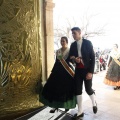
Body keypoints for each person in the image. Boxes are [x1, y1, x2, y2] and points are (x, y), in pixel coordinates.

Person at [40, 37, 76, 113]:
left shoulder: (70, 51)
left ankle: (67, 106)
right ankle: (55, 106)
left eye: (63, 41)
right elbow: (57, 61)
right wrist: (53, 71)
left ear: (66, 42)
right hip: (58, 72)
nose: (62, 42)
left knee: (66, 90)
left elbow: (72, 61)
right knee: (55, 89)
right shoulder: (58, 51)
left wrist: (74, 60)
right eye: (61, 41)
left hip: (66, 72)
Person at [69, 27, 97, 119]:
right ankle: (80, 111)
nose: (73, 35)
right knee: (78, 90)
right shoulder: (73, 45)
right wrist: (74, 59)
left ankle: (94, 102)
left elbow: (93, 58)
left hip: (87, 70)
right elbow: (71, 57)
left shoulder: (88, 43)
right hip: (78, 70)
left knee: (88, 89)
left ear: (80, 33)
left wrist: (90, 72)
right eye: (72, 34)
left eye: (74, 33)